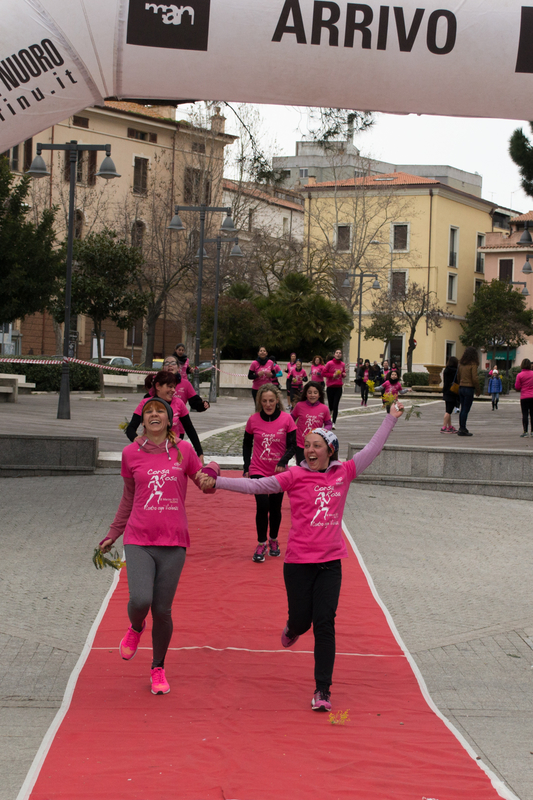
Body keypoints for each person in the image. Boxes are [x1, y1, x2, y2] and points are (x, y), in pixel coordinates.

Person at [199, 403, 405, 712]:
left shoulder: (345, 472)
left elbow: (373, 449)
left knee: (325, 622)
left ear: (330, 450)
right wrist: (220, 482)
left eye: (316, 445)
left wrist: (391, 417)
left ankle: (323, 690)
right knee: (302, 620)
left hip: (329, 563)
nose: (309, 449)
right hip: (297, 563)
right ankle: (293, 627)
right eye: (306, 445)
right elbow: (256, 486)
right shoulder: (293, 476)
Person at [98, 397, 219, 695]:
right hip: (138, 538)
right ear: (142, 419)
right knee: (140, 600)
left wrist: (211, 475)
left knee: (162, 610)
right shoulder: (130, 453)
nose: (154, 415)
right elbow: (128, 497)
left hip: (174, 540)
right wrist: (113, 533)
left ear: (169, 420)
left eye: (159, 412)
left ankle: (158, 667)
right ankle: (136, 627)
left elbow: (203, 479)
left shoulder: (184, 450)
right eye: (149, 411)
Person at [243, 384, 296, 562]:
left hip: (279, 471)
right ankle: (261, 543)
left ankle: (273, 539)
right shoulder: (253, 420)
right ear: (259, 402)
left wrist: (283, 462)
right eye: (264, 401)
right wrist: (246, 465)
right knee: (262, 505)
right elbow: (246, 443)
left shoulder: (287, 419)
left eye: (271, 400)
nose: (268, 404)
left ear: (277, 401)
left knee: (275, 507)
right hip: (258, 469)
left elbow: (293, 445)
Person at [125, 370, 204, 459]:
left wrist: (200, 452)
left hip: (173, 451)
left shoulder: (179, 403)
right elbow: (130, 428)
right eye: (170, 387)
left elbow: (189, 429)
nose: (173, 390)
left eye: (174, 387)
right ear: (158, 386)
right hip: (150, 451)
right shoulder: (146, 403)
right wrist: (135, 438)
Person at [291, 381, 332, 464]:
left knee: (314, 468)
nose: (312, 395)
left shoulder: (324, 408)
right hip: (300, 444)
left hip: (316, 444)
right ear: (306, 394)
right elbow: (290, 419)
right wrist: (292, 433)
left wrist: (323, 431)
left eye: (315, 392)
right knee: (301, 468)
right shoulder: (299, 405)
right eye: (309, 392)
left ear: (319, 395)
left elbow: (329, 424)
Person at [457, 347, 480, 436]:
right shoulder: (473, 364)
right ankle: (463, 429)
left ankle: (461, 427)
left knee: (463, 408)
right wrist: (478, 389)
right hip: (469, 388)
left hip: (461, 387)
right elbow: (475, 378)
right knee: (466, 409)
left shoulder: (461, 364)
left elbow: (458, 376)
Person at [323, 349, 346, 429]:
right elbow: (324, 373)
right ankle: (330, 415)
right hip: (330, 387)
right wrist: (333, 375)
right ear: (334, 354)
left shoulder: (342, 364)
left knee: (336, 405)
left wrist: (343, 374)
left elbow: (343, 373)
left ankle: (333, 423)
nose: (338, 354)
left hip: (338, 387)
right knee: (331, 405)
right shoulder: (329, 363)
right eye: (337, 353)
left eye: (340, 353)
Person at [514, 358, 533, 436]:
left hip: (524, 397)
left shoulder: (519, 375)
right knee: (532, 414)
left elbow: (517, 387)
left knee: (525, 414)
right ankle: (532, 432)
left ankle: (525, 431)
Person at [441, 355, 459, 433]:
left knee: (448, 410)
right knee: (448, 411)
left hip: (446, 391)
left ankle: (450, 426)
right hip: (452, 392)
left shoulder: (446, 370)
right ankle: (444, 427)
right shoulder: (455, 371)